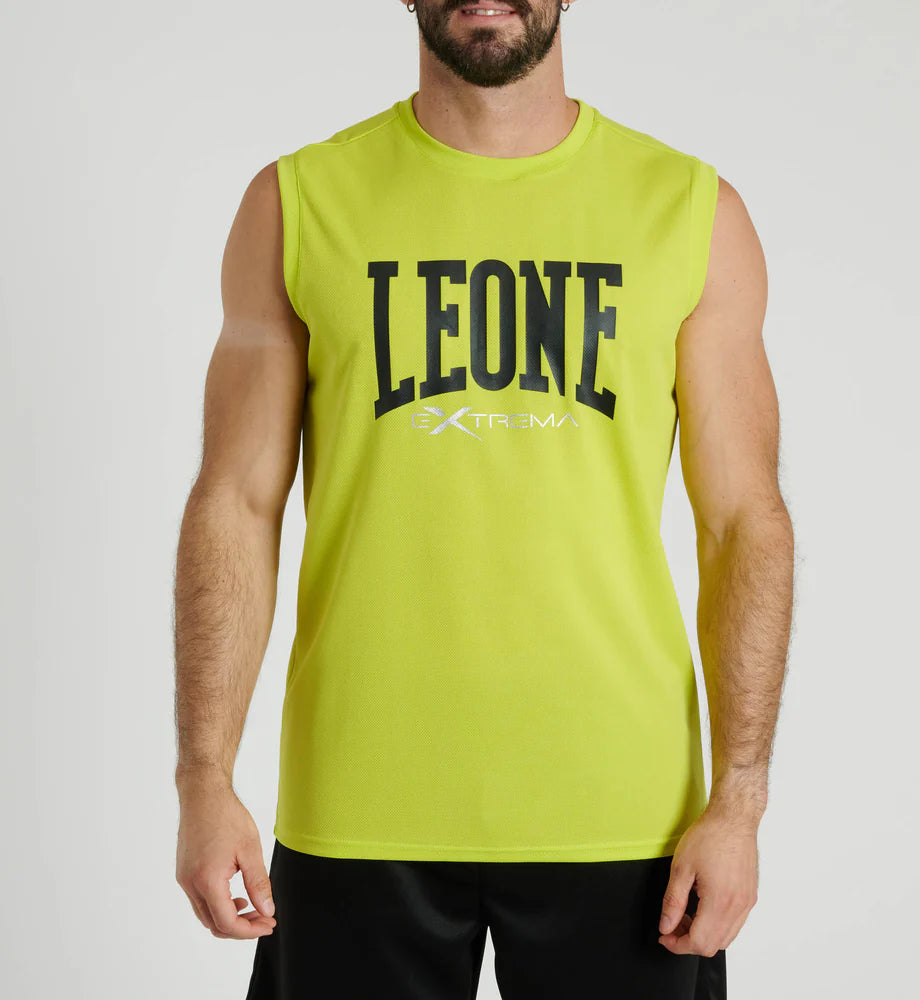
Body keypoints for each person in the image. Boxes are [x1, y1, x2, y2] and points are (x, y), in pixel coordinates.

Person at [173, 1, 794, 997]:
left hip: (623, 810)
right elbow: (236, 503)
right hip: (358, 800)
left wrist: (741, 799)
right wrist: (204, 777)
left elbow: (743, 522)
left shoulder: (688, 210)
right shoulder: (298, 203)